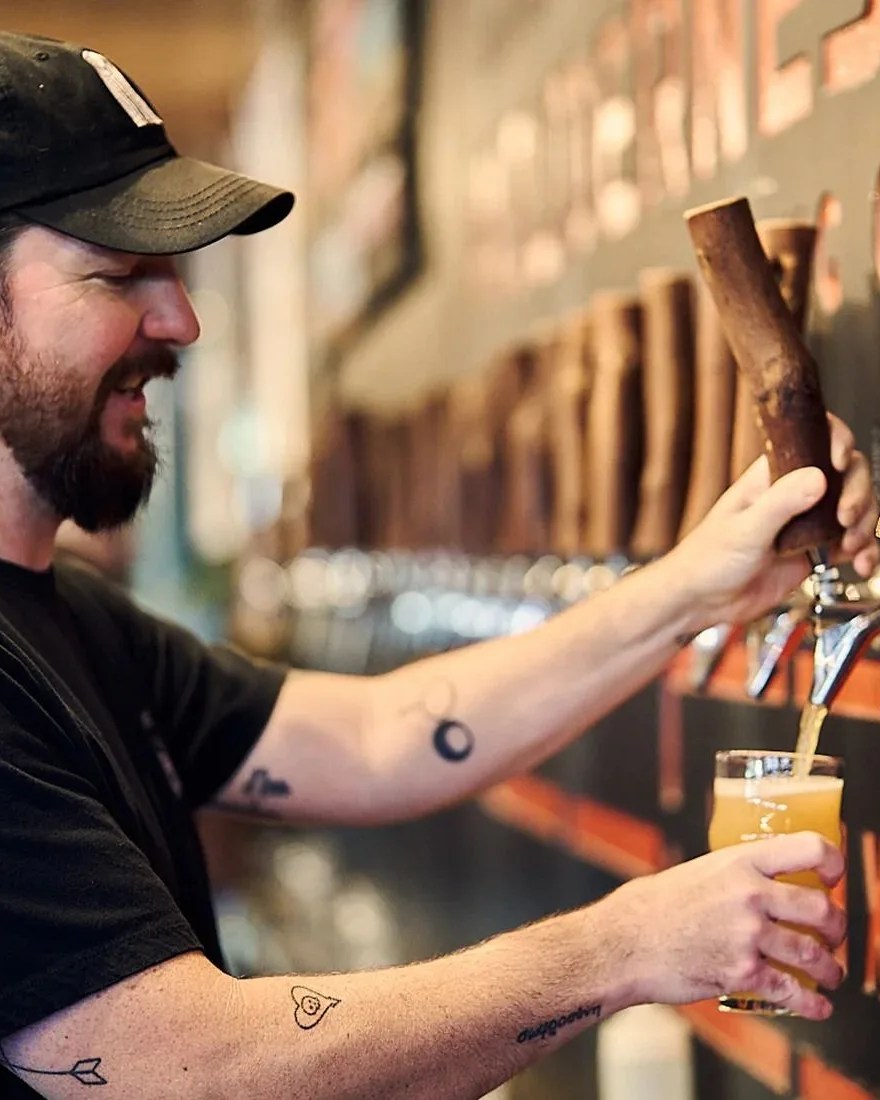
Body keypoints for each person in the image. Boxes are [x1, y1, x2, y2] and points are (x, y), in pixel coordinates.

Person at [0, 30, 874, 1100]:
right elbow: (191, 1071)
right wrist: (627, 946)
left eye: (173, 273)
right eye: (117, 273)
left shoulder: (75, 621)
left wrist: (698, 584)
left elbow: (377, 739)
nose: (179, 319)